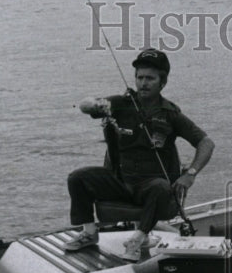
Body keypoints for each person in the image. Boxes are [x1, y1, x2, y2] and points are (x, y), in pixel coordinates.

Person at [64, 49, 214, 259]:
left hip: (150, 186)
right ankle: (89, 233)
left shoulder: (171, 113)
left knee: (162, 187)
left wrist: (190, 174)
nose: (143, 83)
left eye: (150, 78)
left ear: (162, 82)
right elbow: (85, 106)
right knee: (77, 178)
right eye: (140, 77)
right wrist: (96, 104)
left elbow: (206, 142)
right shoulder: (118, 104)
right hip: (121, 182)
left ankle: (138, 238)